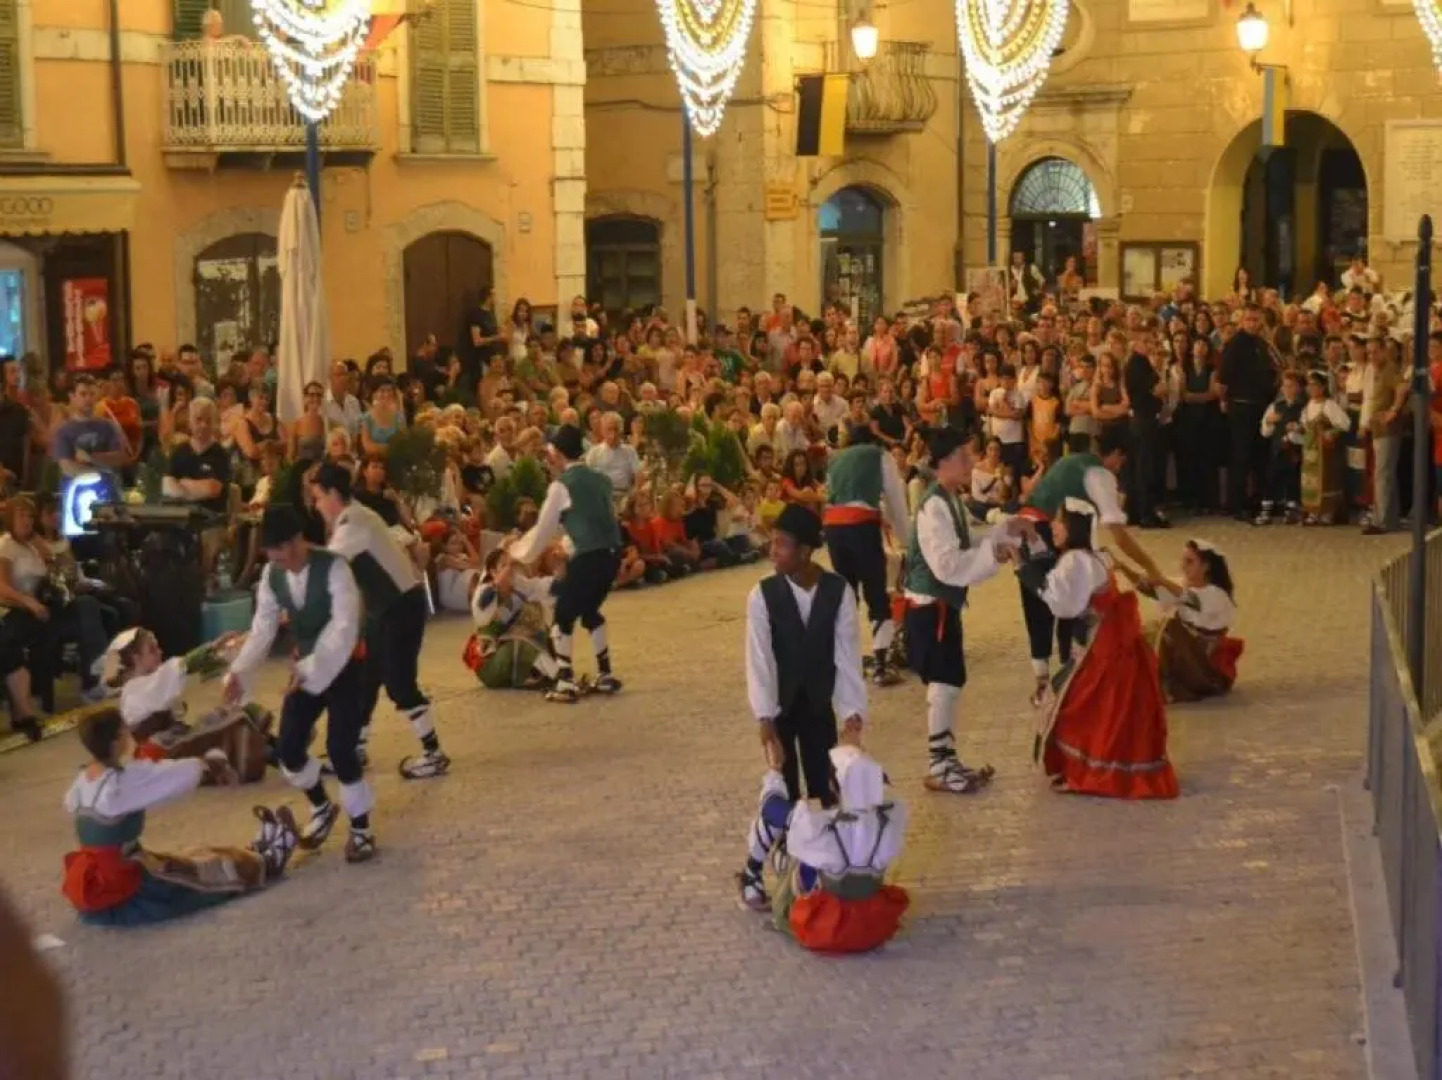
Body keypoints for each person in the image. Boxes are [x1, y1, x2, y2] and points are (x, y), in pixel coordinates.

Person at [223, 505, 377, 863]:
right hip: (305, 671)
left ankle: (361, 828)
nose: (283, 564)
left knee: (341, 750)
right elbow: (263, 628)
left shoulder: (336, 568)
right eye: (275, 559)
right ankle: (322, 807)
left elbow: (344, 630)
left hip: (347, 668)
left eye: (285, 555)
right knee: (288, 749)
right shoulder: (272, 576)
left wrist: (308, 667)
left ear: (297, 541)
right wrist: (240, 672)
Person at [60, 707, 299, 926]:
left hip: (107, 869)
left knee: (194, 856)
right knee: (199, 879)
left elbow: (146, 773)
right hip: (123, 882)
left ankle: (252, 853)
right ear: (116, 741)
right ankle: (266, 864)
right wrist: (209, 764)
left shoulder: (83, 780)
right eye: (124, 731)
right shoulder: (117, 787)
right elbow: (167, 777)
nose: (128, 735)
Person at [739, 503, 867, 911]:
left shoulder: (838, 592)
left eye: (781, 544)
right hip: (779, 706)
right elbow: (759, 661)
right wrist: (764, 718)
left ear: (807, 551)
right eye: (772, 542)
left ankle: (823, 870)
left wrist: (852, 714)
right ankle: (768, 871)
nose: (772, 550)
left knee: (827, 788)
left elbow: (848, 656)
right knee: (782, 793)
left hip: (817, 704)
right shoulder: (762, 595)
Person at [1020, 500, 1178, 799]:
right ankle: (1093, 770)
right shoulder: (1092, 556)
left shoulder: (1076, 560)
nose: (1053, 525)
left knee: (1084, 710)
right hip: (1111, 642)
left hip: (1105, 650)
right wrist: (1033, 544)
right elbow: (1060, 581)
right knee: (1100, 712)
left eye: (1059, 520)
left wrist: (1022, 567)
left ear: (1074, 527)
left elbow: (1062, 603)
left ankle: (1090, 772)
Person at [903, 428, 1027, 794]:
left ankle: (944, 759)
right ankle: (939, 765)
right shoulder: (933, 505)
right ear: (943, 463)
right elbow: (947, 566)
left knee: (949, 683)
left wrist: (1002, 537)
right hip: (930, 608)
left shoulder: (949, 500)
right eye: (962, 456)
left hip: (941, 606)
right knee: (944, 685)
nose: (970, 462)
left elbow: (967, 542)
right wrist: (994, 552)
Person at [309, 463, 449, 779]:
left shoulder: (354, 522)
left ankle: (433, 752)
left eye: (318, 498)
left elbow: (328, 566)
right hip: (386, 609)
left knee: (399, 683)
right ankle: (353, 748)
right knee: (366, 679)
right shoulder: (358, 516)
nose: (316, 506)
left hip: (398, 608)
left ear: (333, 494)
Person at [1016, 424, 1162, 706]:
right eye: (1122, 461)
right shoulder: (1100, 475)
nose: (1120, 468)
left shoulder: (1072, 460)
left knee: (1039, 605)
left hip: (1026, 526)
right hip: (1048, 531)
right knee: (1068, 603)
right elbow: (1118, 534)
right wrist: (1151, 568)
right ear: (1117, 454)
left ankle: (1046, 680)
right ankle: (1072, 680)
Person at [744, 743, 910, 954]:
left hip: (825, 926)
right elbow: (880, 793)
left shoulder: (821, 828)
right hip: (871, 926)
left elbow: (770, 807)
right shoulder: (892, 818)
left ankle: (751, 880)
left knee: (791, 845)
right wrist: (860, 760)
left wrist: (775, 770)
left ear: (834, 786)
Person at [508, 424, 623, 703]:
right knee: (590, 610)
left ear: (557, 454)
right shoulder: (600, 479)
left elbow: (544, 528)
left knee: (562, 613)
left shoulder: (561, 486)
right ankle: (605, 672)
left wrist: (518, 551)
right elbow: (599, 518)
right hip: (612, 554)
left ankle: (564, 678)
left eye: (550, 453)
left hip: (590, 555)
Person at [105, 626, 273, 782]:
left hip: (173, 738)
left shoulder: (149, 681)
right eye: (152, 649)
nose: (160, 652)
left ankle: (266, 746)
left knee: (223, 717)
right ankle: (267, 749)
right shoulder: (135, 689)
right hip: (162, 750)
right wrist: (213, 647)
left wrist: (224, 653)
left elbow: (184, 672)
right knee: (228, 721)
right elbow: (183, 667)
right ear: (136, 658)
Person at [823, 425, 911, 686]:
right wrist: (907, 541)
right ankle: (882, 665)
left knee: (846, 594)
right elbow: (896, 499)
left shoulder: (836, 459)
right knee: (876, 592)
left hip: (833, 527)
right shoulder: (878, 455)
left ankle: (847, 662)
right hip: (861, 525)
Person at [1129, 539, 1244, 704]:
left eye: (1189, 562)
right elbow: (1149, 588)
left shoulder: (1217, 594)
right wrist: (1122, 567)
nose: (1183, 566)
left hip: (1203, 667)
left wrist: (1161, 580)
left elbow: (1189, 598)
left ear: (1206, 566)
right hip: (1186, 657)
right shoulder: (1184, 585)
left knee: (1167, 629)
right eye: (1183, 561)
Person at [464, 549, 561, 689]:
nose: (510, 571)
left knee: (538, 628)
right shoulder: (484, 591)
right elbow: (485, 598)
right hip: (490, 661)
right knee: (523, 642)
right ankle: (559, 676)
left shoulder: (516, 590)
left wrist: (563, 579)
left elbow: (538, 587)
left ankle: (555, 674)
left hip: (504, 651)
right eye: (503, 566)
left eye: (511, 566)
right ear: (492, 572)